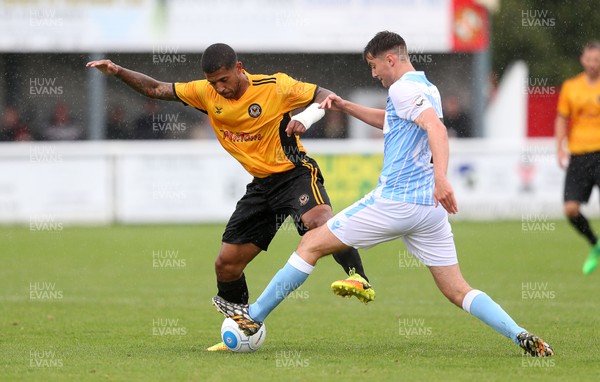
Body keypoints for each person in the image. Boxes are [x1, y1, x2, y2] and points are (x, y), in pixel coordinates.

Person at [212, 31, 554, 358]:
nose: (374, 74)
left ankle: (252, 315)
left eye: (374, 66)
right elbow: (391, 120)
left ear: (391, 59)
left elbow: (436, 129)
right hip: (429, 211)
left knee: (310, 243)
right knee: (457, 289)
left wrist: (442, 178)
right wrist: (344, 106)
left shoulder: (404, 89)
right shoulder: (425, 87)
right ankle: (518, 332)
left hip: (397, 201)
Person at [86, 43, 375, 351]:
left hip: (294, 174)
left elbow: (324, 95)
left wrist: (308, 117)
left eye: (224, 79)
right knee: (226, 264)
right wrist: (116, 71)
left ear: (240, 68)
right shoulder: (205, 93)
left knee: (319, 220)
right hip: (261, 186)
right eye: (213, 82)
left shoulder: (275, 86)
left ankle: (359, 277)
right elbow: (157, 88)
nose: (219, 88)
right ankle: (242, 326)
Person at [555, 41, 600, 275]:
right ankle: (595, 244)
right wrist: (560, 147)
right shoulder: (571, 87)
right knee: (570, 209)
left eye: (597, 60)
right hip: (580, 155)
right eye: (590, 60)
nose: (593, 64)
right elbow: (562, 118)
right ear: (583, 60)